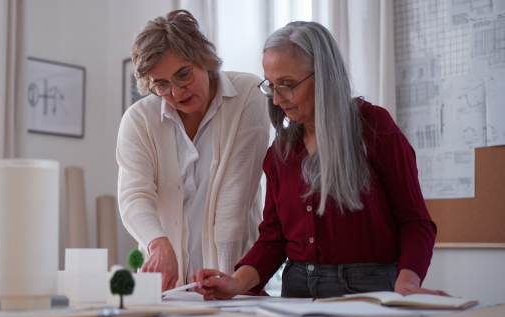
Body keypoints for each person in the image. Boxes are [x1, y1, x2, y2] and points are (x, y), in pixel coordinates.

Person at [193, 21, 449, 299]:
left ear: (324, 77)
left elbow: (415, 223)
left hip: (369, 289)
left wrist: (409, 280)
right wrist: (235, 283)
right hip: (298, 289)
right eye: (272, 86)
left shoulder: (375, 128)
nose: (277, 100)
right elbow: (273, 239)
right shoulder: (281, 151)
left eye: (288, 86)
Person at [117, 10, 269, 291]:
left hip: (233, 279)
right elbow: (133, 196)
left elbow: (234, 201)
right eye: (161, 84)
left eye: (183, 75)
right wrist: (157, 243)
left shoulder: (247, 95)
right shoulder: (139, 120)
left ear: (203, 59)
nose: (176, 93)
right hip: (165, 286)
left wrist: (228, 282)